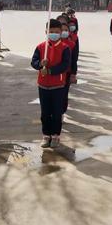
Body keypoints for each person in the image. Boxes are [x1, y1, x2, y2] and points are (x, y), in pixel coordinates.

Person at [31, 19, 71, 148]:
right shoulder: (41, 47)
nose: (53, 34)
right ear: (46, 32)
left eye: (56, 32)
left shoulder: (65, 48)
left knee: (56, 112)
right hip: (43, 85)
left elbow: (65, 66)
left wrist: (50, 70)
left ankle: (55, 135)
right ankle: (46, 135)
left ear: (60, 33)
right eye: (51, 31)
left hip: (58, 85)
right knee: (45, 112)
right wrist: (40, 64)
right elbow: (34, 62)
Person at [60, 22, 76, 114]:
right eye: (61, 30)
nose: (63, 32)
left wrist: (73, 74)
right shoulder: (52, 44)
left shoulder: (72, 44)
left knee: (64, 93)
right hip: (56, 73)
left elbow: (74, 60)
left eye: (66, 30)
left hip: (67, 72)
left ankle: (62, 111)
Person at [67, 18, 79, 84]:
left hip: (73, 56)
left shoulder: (75, 37)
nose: (72, 26)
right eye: (70, 25)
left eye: (73, 25)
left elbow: (77, 48)